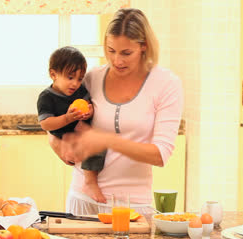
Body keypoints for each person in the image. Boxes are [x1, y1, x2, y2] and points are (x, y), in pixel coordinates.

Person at [49, 8, 183, 216]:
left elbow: (160, 154)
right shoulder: (92, 77)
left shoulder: (166, 84)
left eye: (126, 53)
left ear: (143, 46)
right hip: (82, 199)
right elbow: (53, 111)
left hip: (133, 206)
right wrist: (57, 144)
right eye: (111, 51)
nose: (117, 60)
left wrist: (106, 140)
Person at [37, 46, 107, 203]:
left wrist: (90, 111)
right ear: (53, 74)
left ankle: (90, 179)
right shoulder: (46, 97)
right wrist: (67, 118)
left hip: (78, 128)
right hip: (63, 134)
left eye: (80, 78)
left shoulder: (80, 90)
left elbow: (89, 105)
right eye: (70, 77)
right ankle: (90, 182)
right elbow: (46, 124)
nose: (75, 83)